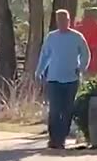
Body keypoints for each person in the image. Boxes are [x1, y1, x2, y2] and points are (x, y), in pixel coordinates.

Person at [35, 9, 90, 149]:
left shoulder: (77, 37)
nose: (62, 23)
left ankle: (62, 137)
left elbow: (85, 53)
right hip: (54, 78)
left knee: (67, 109)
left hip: (71, 79)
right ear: (57, 21)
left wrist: (81, 67)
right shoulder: (51, 37)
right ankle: (54, 139)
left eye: (65, 20)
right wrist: (39, 72)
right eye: (59, 20)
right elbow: (45, 55)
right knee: (54, 109)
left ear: (69, 20)